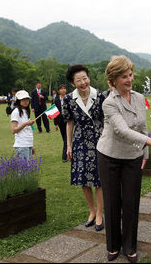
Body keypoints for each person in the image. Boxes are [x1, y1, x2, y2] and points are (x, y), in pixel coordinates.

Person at [96, 55, 151, 263]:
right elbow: (122, 130)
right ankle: (113, 246)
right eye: (123, 77)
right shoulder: (109, 103)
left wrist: (145, 151)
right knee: (112, 202)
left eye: (130, 75)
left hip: (133, 156)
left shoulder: (138, 97)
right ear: (113, 80)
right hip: (109, 156)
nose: (129, 80)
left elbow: (142, 125)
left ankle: (129, 246)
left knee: (131, 201)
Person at [62, 64, 105, 233]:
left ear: (89, 78)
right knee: (82, 178)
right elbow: (69, 122)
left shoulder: (101, 96)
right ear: (73, 83)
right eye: (78, 80)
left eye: (85, 78)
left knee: (99, 178)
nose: (83, 82)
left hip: (99, 141)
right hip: (80, 142)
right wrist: (69, 145)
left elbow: (106, 120)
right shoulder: (69, 99)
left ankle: (100, 214)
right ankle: (92, 211)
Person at [10, 90, 35, 160]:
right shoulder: (16, 112)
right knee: (24, 169)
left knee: (28, 168)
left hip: (28, 143)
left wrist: (32, 145)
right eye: (23, 99)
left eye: (27, 99)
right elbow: (13, 130)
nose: (26, 101)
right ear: (18, 100)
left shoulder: (26, 111)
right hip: (22, 144)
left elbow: (28, 131)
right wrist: (26, 124)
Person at [53, 84, 68, 162]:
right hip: (60, 120)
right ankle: (69, 150)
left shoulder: (68, 98)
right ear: (59, 91)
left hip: (68, 120)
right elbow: (55, 112)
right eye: (61, 89)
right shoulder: (56, 100)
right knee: (64, 138)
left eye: (64, 88)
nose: (63, 90)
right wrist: (55, 124)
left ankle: (64, 156)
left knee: (67, 138)